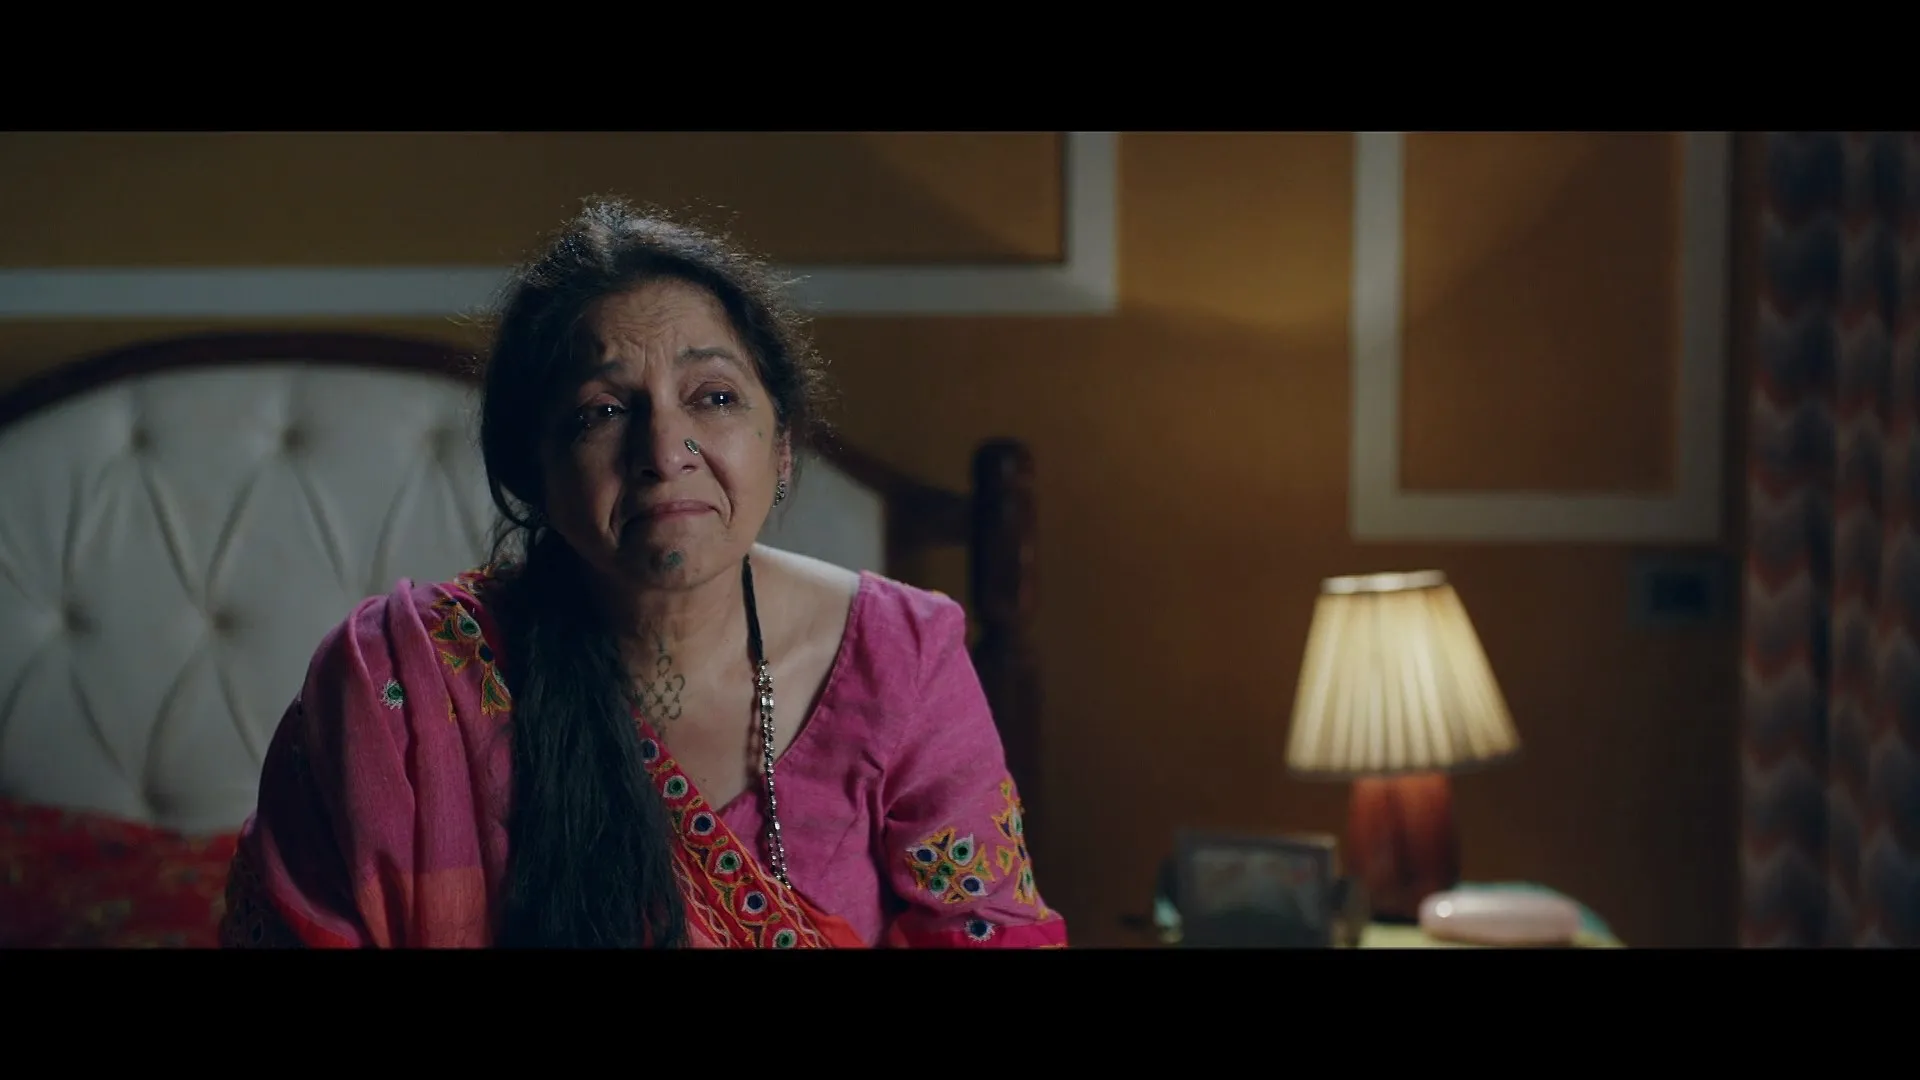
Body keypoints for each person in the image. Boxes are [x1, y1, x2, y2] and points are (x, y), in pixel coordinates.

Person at [217, 198, 1067, 949]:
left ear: (780, 448)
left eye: (714, 397)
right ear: (532, 472)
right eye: (604, 411)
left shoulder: (901, 658)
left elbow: (990, 934)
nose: (664, 452)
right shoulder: (396, 691)